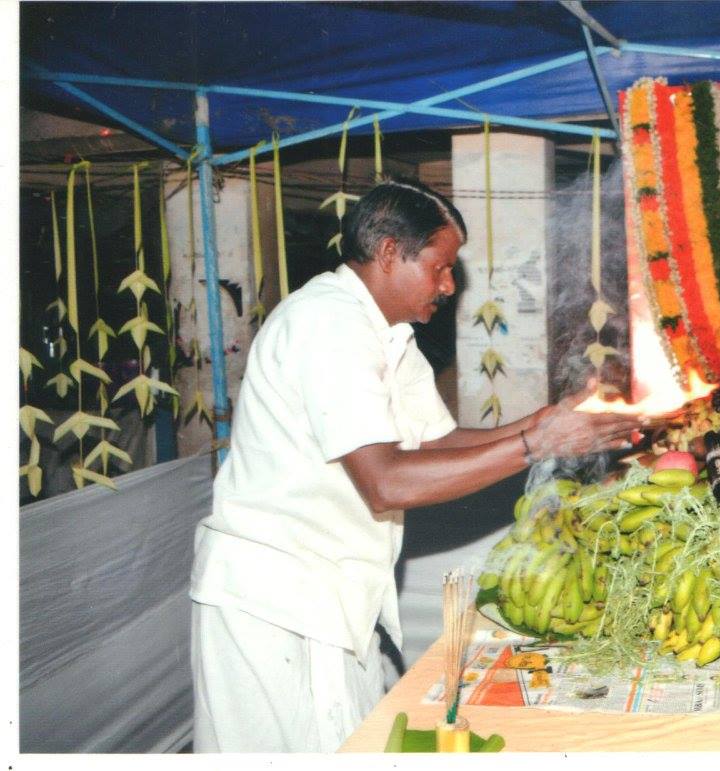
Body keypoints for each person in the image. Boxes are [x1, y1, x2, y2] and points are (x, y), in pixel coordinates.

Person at [189, 179, 642, 752]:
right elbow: (385, 483)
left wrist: (545, 422)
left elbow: (434, 444)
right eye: (441, 267)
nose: (450, 285)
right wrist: (537, 446)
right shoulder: (327, 324)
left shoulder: (390, 336)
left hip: (331, 597)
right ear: (387, 254)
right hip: (277, 600)